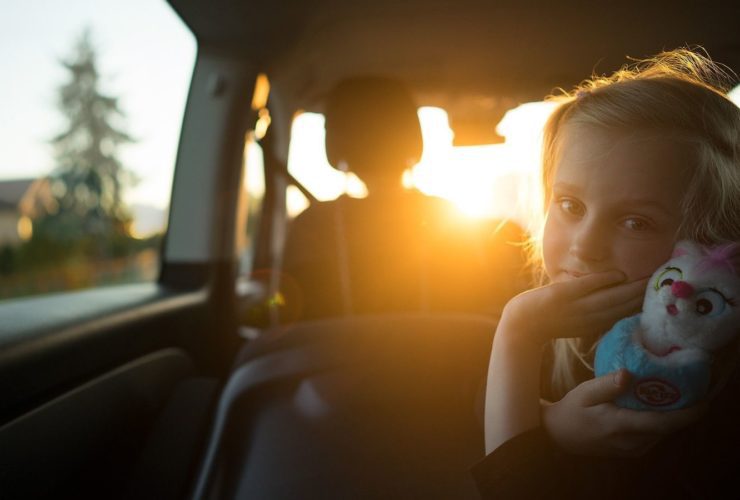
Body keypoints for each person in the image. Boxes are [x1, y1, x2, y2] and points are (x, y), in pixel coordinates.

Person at [472, 47, 740, 498]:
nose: (584, 246)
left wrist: (517, 332)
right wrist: (550, 424)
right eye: (570, 206)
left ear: (711, 242)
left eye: (635, 222)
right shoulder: (550, 337)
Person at [281, 76, 528, 321]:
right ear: (412, 139)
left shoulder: (312, 226)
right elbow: (476, 306)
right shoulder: (445, 220)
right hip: (442, 360)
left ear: (335, 144)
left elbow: (290, 315)